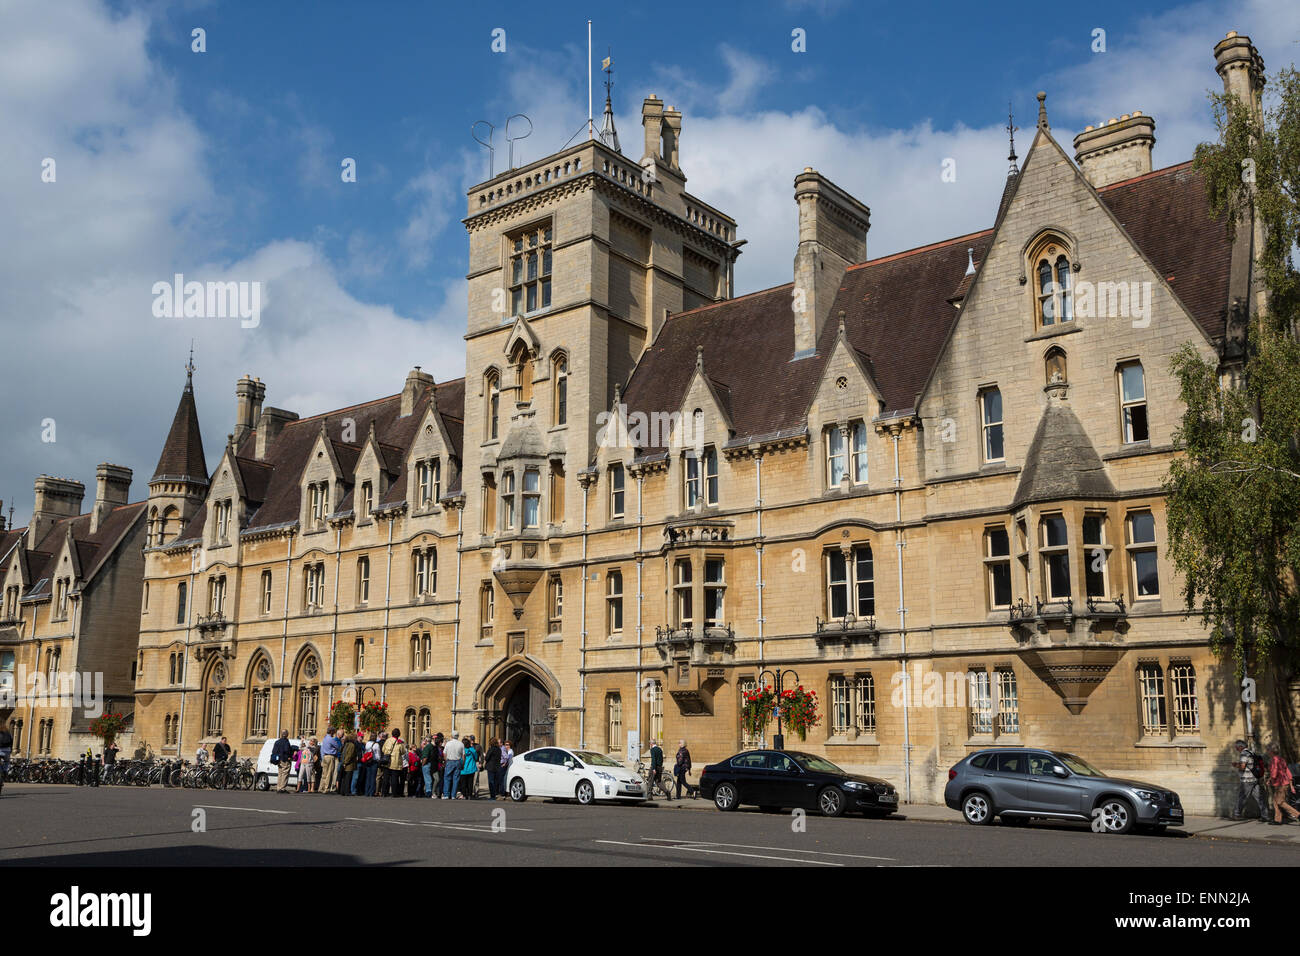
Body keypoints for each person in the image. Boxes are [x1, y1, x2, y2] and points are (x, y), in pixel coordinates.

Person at [1231, 739, 1268, 821]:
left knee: (1242, 797)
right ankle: (1265, 815)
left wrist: (1235, 765)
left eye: (1237, 747)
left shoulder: (1243, 754)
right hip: (1255, 778)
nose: (1236, 749)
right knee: (1259, 797)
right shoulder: (1252, 753)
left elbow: (1242, 767)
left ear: (1240, 747)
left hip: (1247, 780)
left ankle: (1236, 814)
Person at [1267, 743, 1300, 825]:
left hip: (1280, 784)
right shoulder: (1281, 759)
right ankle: (1277, 820)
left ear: (1271, 751)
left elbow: (1274, 774)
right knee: (1275, 801)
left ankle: (1298, 815)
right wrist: (1291, 784)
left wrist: (1269, 779)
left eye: (1268, 750)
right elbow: (1287, 771)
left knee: (1280, 802)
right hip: (1284, 783)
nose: (1267, 752)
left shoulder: (1274, 760)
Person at [383, 728, 406, 798]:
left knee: (386, 778)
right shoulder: (399, 742)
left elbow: (383, 749)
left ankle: (384, 792)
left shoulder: (387, 740)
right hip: (395, 762)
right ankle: (394, 793)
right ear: (398, 735)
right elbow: (403, 752)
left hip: (387, 761)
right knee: (394, 778)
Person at [442, 733, 464, 799]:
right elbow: (463, 755)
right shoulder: (461, 744)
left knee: (447, 778)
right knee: (456, 779)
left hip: (450, 761)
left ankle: (446, 794)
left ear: (452, 736)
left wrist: (446, 761)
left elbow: (444, 753)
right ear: (458, 736)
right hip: (458, 761)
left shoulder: (448, 743)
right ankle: (453, 795)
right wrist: (462, 764)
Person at [320, 727, 340, 793]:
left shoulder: (325, 738)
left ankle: (322, 787)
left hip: (325, 756)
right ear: (331, 732)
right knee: (329, 773)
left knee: (324, 773)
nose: (334, 733)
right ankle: (326, 788)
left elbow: (322, 748)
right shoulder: (331, 739)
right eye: (333, 732)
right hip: (330, 756)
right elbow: (337, 746)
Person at [362, 732, 380, 796]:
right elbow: (378, 755)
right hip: (374, 761)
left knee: (368, 777)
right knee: (373, 777)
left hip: (367, 761)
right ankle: (371, 792)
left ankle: (366, 792)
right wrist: (379, 760)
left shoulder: (367, 743)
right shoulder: (376, 745)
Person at [0, 718, 13, 797]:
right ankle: (5, 771)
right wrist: (10, 750)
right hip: (6, 750)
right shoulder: (8, 732)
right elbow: (11, 741)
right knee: (7, 762)